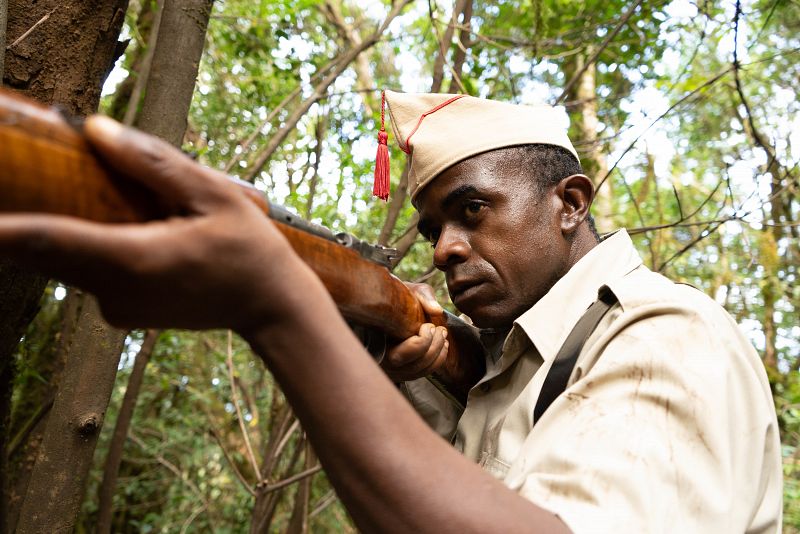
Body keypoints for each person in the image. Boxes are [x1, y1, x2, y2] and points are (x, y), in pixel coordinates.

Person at [0, 90, 782, 533]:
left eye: (472, 211)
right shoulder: (503, 369)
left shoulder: (663, 335)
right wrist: (399, 363)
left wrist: (278, 306)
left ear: (570, 204)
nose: (444, 249)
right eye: (433, 229)